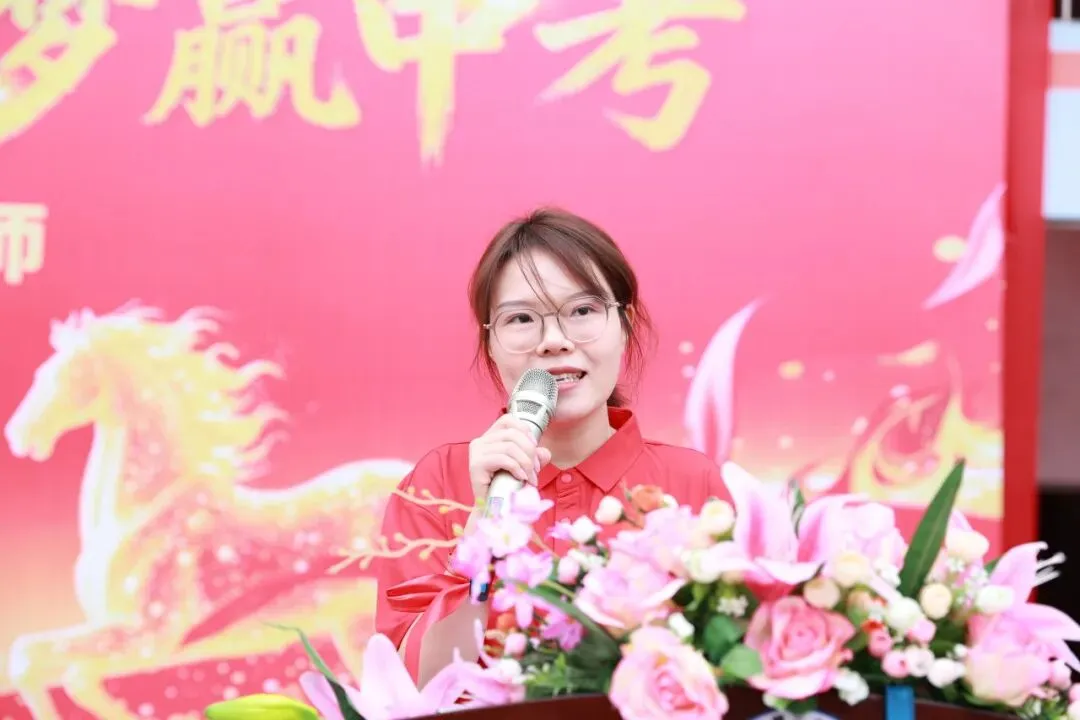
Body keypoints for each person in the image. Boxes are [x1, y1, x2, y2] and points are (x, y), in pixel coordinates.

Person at [374, 208, 729, 686]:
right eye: (521, 318)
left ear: (625, 325)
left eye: (582, 311)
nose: (554, 341)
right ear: (490, 343)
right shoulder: (435, 485)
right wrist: (482, 527)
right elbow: (412, 690)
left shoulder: (690, 484)